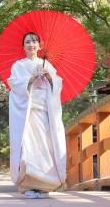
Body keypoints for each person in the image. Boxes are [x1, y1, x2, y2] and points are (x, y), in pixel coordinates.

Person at [7, 32, 66, 198]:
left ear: (40, 45)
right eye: (27, 42)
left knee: (45, 147)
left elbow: (58, 85)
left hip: (44, 112)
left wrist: (50, 78)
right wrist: (30, 79)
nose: (31, 45)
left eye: (34, 42)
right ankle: (29, 186)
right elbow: (13, 83)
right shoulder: (18, 66)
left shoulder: (47, 65)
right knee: (27, 148)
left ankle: (44, 186)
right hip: (26, 113)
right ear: (23, 46)